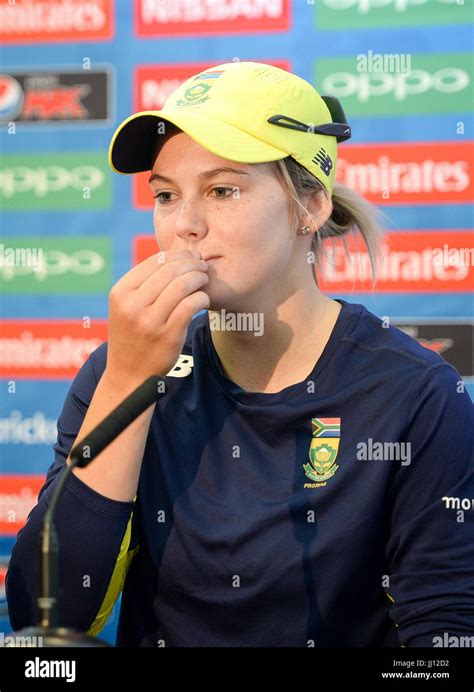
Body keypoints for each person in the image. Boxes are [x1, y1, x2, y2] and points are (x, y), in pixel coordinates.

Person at [6, 62, 473, 648]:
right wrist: (129, 380)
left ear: (311, 207)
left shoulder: (415, 392)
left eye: (222, 190)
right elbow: (45, 617)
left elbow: (445, 636)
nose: (185, 226)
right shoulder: (120, 369)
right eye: (166, 195)